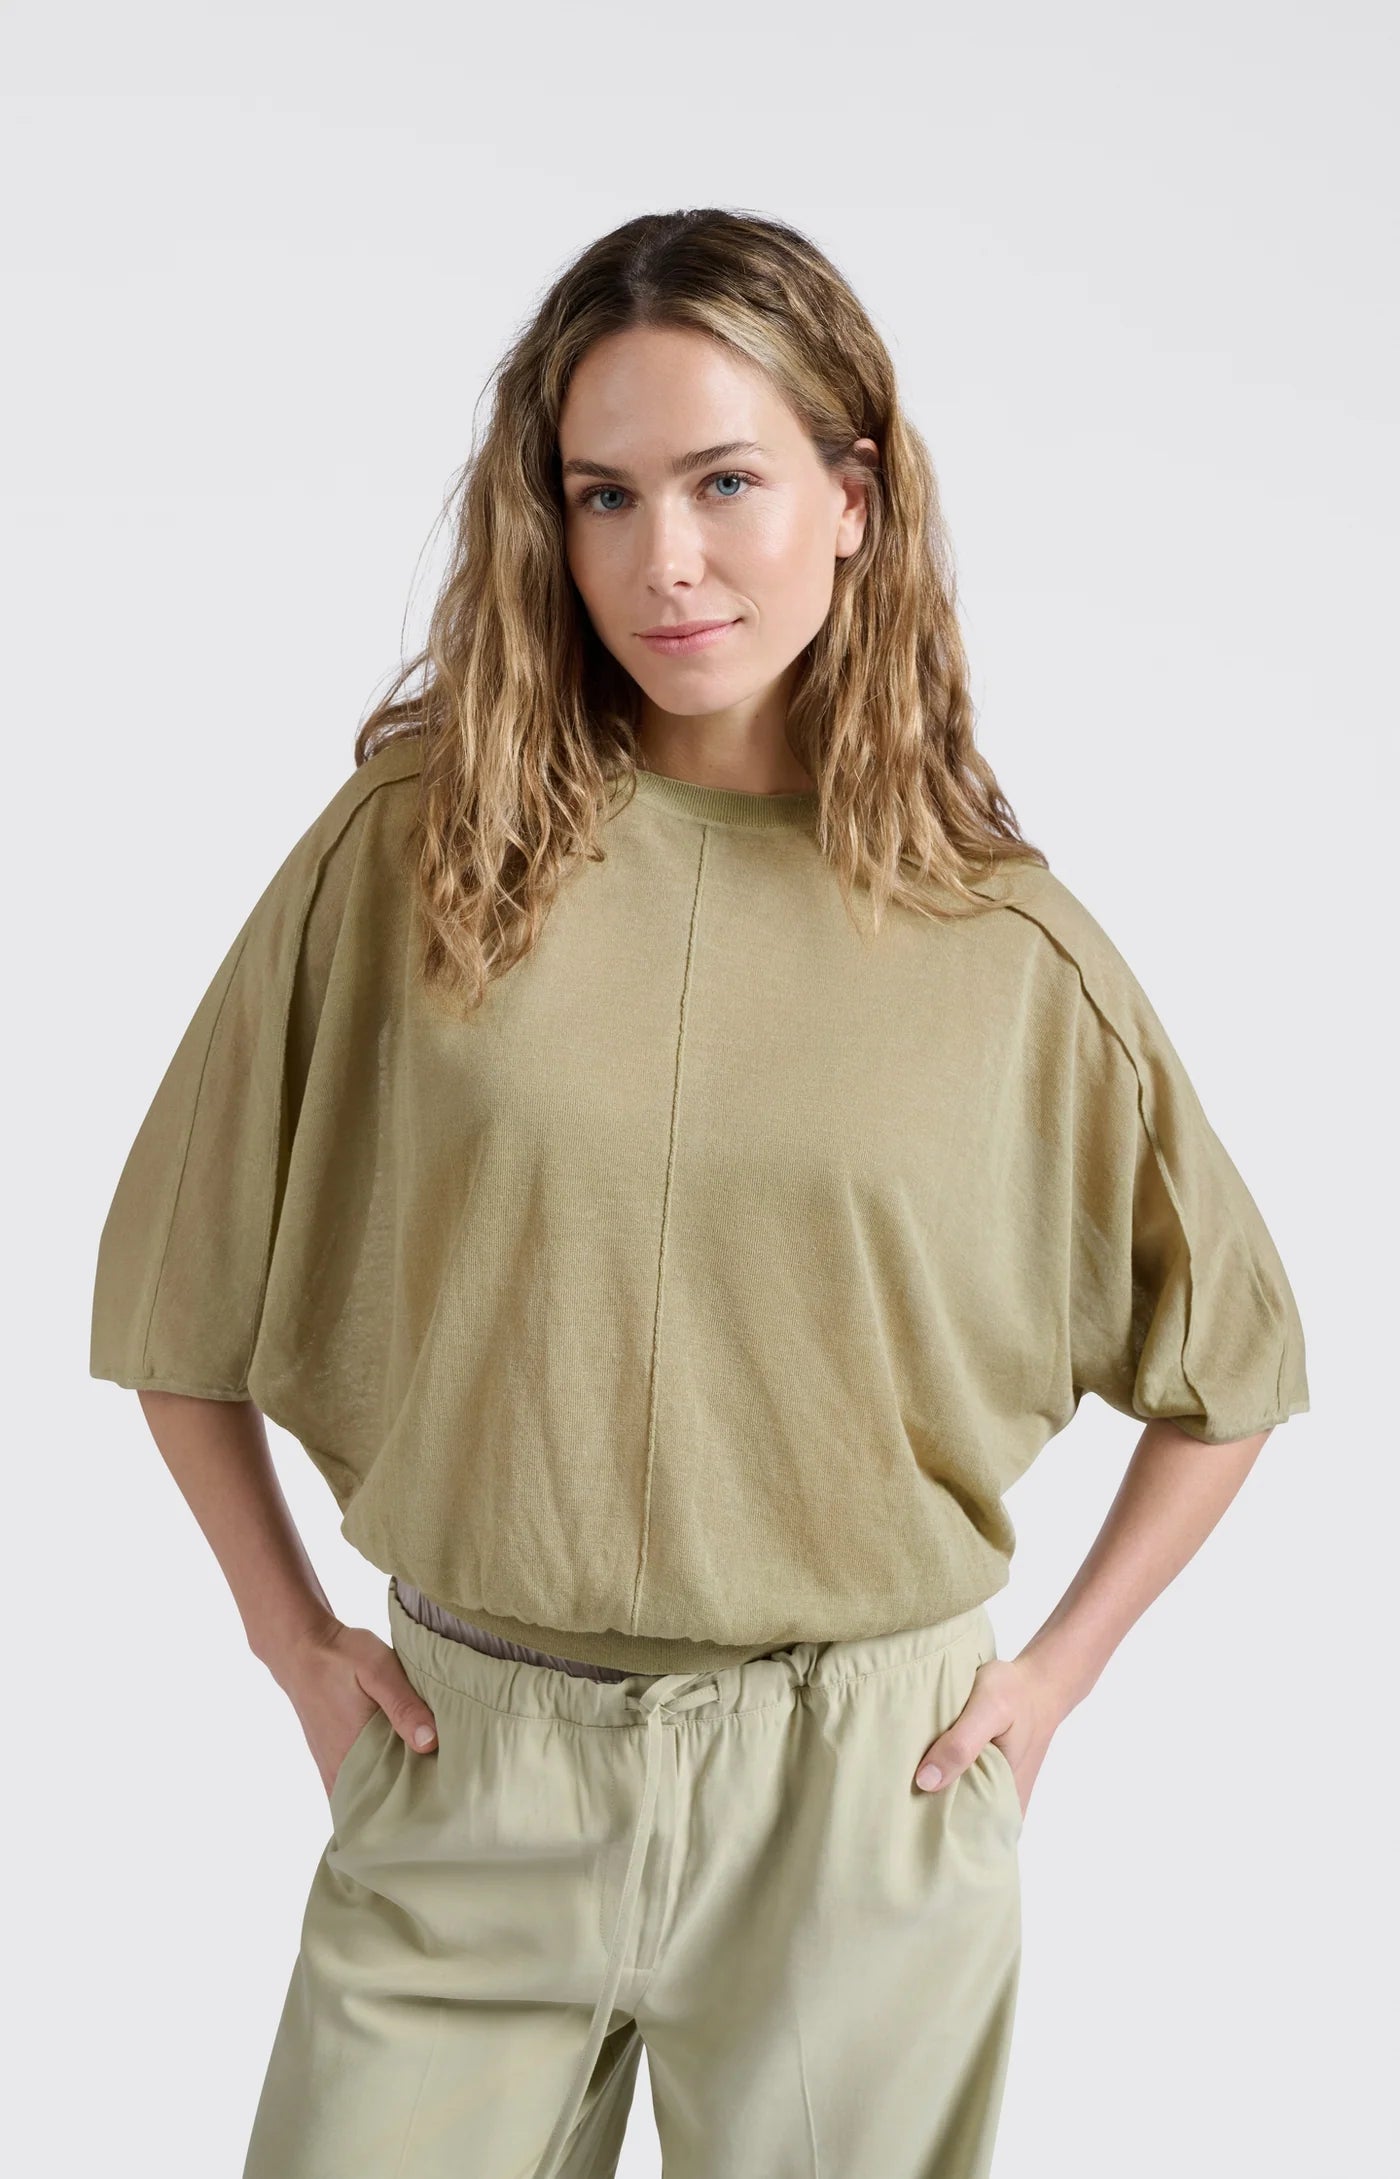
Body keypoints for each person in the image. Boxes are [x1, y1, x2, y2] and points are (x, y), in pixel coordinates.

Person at [89, 207, 1309, 2179]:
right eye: (605, 494)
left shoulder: (1002, 945)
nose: (661, 558)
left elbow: (1229, 1366)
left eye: (725, 481)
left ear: (853, 500)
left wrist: (1052, 1681)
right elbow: (176, 1285)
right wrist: (290, 1640)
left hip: (856, 1801)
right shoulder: (413, 853)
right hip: (470, 1768)